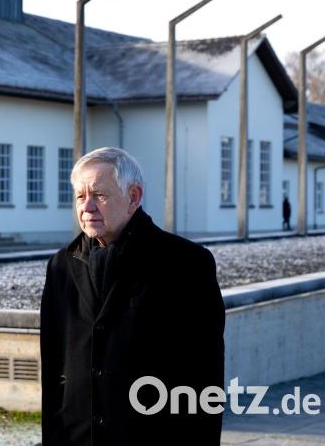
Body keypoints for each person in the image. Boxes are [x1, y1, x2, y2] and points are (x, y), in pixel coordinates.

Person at [40, 147, 225, 445]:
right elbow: (53, 369)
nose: (86, 206)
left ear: (133, 197)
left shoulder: (185, 263)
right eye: (79, 196)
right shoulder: (61, 265)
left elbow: (204, 376)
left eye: (99, 195)